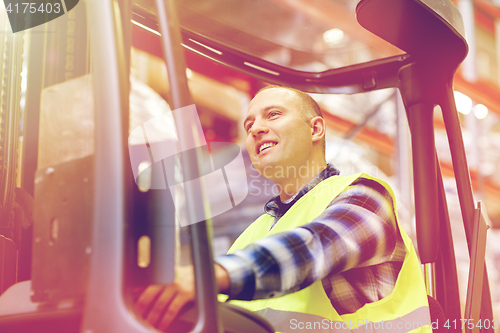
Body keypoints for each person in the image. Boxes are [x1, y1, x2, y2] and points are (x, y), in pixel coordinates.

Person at [135, 86, 430, 332]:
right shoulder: (255, 232)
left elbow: (316, 248)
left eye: (273, 115)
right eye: (248, 125)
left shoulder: (366, 196)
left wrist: (212, 274)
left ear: (315, 129)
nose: (256, 129)